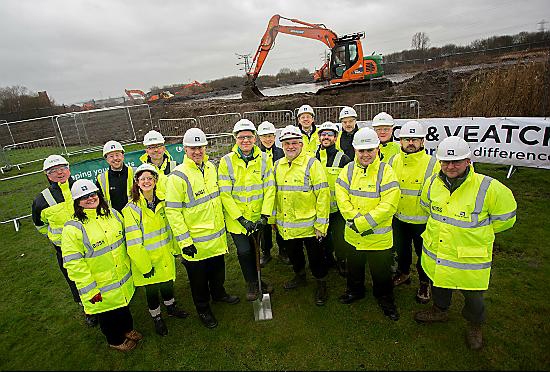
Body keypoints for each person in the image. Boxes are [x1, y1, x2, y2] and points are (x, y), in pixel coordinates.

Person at [414, 136, 517, 350]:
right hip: (438, 250)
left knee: (474, 297)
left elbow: (506, 219)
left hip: (469, 258)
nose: (450, 166)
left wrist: (480, 234)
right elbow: (426, 206)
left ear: (468, 161)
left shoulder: (489, 187)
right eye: (445, 162)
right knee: (439, 283)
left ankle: (474, 324)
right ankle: (440, 310)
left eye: (456, 161)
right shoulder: (432, 182)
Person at [165, 128, 239, 329]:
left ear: (205, 148)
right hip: (195, 243)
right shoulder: (177, 177)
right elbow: (173, 212)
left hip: (215, 238)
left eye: (200, 147)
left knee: (217, 272)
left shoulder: (211, 168)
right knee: (198, 281)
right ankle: (203, 309)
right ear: (184, 149)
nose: (197, 151)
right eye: (193, 148)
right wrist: (185, 242)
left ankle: (219, 294)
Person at [61, 179, 140, 351]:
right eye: (83, 197)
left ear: (99, 195)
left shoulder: (113, 214)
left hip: (122, 279)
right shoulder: (73, 228)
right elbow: (74, 264)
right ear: (77, 202)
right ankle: (116, 341)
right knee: (108, 315)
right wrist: (90, 290)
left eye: (92, 194)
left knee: (124, 307)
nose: (90, 199)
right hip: (100, 285)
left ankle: (127, 329)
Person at [334, 127, 401, 321]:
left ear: (377, 149)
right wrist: (353, 218)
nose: (365, 154)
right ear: (355, 150)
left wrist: (361, 223)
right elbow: (341, 197)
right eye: (361, 150)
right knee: (354, 268)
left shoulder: (386, 171)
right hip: (354, 235)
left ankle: (385, 299)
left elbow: (389, 205)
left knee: (381, 272)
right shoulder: (347, 170)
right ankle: (356, 291)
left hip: (378, 237)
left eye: (369, 150)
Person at [122, 163, 189, 336]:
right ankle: (157, 317)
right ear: (136, 182)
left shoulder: (163, 202)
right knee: (152, 292)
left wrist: (176, 250)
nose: (146, 181)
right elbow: (134, 243)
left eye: (150, 178)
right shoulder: (131, 209)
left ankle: (171, 307)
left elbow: (170, 229)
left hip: (165, 255)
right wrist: (145, 266)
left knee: (167, 285)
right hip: (147, 261)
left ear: (155, 180)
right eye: (142, 178)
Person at [31, 155, 97, 327]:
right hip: (65, 251)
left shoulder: (83, 187)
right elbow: (40, 225)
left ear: (68, 168)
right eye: (53, 171)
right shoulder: (41, 200)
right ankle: (88, 310)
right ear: (47, 174)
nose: (59, 173)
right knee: (76, 280)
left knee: (98, 274)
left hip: (92, 244)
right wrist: (56, 238)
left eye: (62, 168)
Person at [218, 119, 276, 301]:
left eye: (249, 137)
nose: (245, 140)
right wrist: (241, 218)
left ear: (255, 138)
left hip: (259, 218)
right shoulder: (226, 162)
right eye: (241, 137)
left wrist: (265, 215)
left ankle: (259, 280)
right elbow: (225, 194)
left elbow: (270, 188)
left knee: (256, 250)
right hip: (238, 221)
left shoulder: (265, 160)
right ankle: (251, 283)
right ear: (235, 138)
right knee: (244, 251)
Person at [273, 125, 330, 306]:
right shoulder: (277, 165)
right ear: (282, 145)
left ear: (302, 144)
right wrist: (274, 219)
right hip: (287, 225)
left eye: (294, 143)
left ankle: (321, 283)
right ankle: (300, 276)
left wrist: (321, 224)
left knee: (316, 258)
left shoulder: (313, 164)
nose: (291, 146)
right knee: (294, 255)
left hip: (310, 225)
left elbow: (323, 195)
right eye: (287, 143)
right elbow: (273, 194)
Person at [387, 121, 440, 304]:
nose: (411, 143)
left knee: (424, 254)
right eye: (406, 139)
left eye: (415, 139)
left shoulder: (433, 164)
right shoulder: (393, 161)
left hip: (423, 220)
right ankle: (403, 273)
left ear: (423, 142)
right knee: (402, 250)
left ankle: (425, 282)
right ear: (400, 141)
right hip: (399, 217)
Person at [314, 121, 353, 277]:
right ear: (319, 137)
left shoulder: (343, 159)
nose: (326, 137)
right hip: (320, 208)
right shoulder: (313, 158)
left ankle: (342, 261)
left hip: (338, 209)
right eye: (323, 134)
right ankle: (328, 259)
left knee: (339, 238)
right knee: (322, 238)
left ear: (335, 137)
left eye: (329, 134)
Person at [256, 121, 289, 266]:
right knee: (265, 226)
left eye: (270, 136)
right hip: (263, 195)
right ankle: (266, 252)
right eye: (264, 136)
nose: (267, 139)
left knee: (280, 223)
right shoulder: (256, 154)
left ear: (274, 136)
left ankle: (283, 251)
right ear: (259, 137)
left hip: (280, 194)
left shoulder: (282, 153)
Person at [96, 140, 134, 212]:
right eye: (111, 156)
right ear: (107, 159)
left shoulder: (135, 172)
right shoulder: (101, 179)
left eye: (117, 154)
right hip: (115, 219)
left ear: (123, 156)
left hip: (136, 217)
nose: (115, 158)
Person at [139, 130, 178, 198]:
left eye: (158, 146)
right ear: (147, 151)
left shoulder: (175, 167)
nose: (156, 150)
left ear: (164, 148)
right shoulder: (141, 171)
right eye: (152, 147)